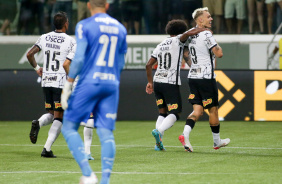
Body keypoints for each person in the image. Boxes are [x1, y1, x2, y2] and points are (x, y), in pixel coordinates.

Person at [60, 0, 127, 183]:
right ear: (106, 6)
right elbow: (121, 63)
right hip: (112, 83)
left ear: (89, 5)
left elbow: (79, 58)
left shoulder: (84, 25)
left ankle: (88, 174)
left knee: (68, 127)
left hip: (90, 81)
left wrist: (69, 83)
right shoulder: (121, 28)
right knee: (106, 133)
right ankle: (105, 180)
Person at [146, 19, 208, 151]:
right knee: (175, 112)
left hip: (157, 81)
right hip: (170, 82)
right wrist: (202, 29)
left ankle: (158, 143)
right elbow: (188, 34)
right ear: (181, 32)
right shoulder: (178, 40)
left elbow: (148, 65)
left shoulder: (161, 44)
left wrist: (150, 82)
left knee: (162, 112)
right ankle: (159, 131)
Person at [178, 7, 230, 152]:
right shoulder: (206, 34)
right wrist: (217, 45)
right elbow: (219, 54)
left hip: (193, 77)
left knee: (197, 111)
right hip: (206, 78)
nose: (211, 19)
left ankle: (185, 135)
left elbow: (185, 52)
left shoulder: (190, 35)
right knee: (213, 110)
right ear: (200, 20)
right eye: (208, 16)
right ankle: (216, 141)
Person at [27, 11, 76, 158]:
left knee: (51, 113)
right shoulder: (71, 41)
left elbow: (30, 54)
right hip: (60, 83)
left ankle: (38, 122)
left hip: (46, 81)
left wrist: (37, 69)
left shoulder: (44, 37)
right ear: (66, 23)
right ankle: (46, 149)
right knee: (59, 117)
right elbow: (67, 63)